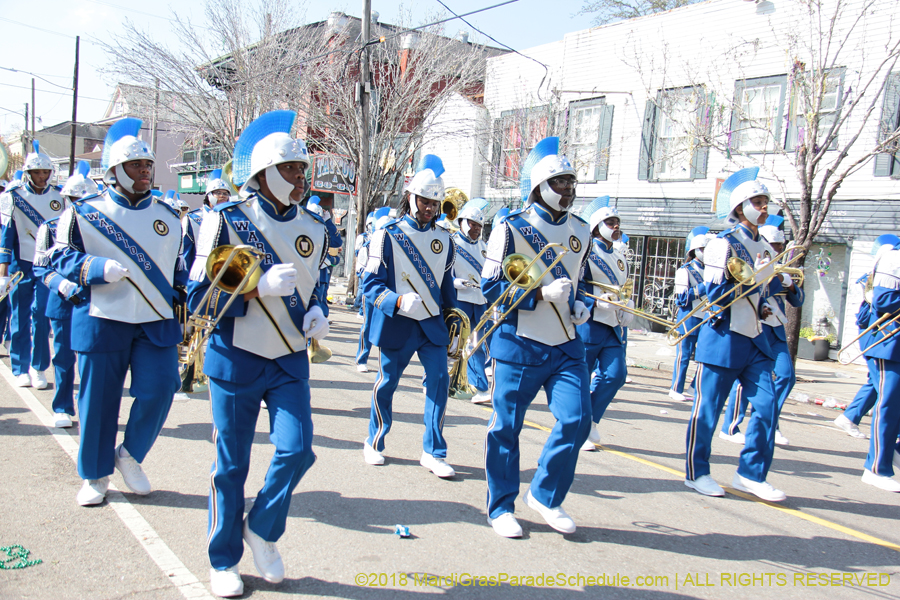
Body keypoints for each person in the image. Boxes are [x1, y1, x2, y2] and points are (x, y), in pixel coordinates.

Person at [187, 110, 329, 596]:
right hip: (237, 356)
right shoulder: (224, 220)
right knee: (231, 465)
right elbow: (195, 299)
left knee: (298, 450)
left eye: (301, 169)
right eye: (290, 169)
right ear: (264, 174)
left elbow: (317, 285)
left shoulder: (317, 227)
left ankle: (263, 529)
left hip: (290, 358)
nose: (300, 178)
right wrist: (254, 289)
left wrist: (318, 312)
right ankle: (222, 558)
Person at [48, 118, 187, 507]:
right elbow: (57, 255)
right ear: (114, 171)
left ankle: (130, 455)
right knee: (99, 401)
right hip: (102, 316)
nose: (144, 172)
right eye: (136, 166)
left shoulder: (171, 215)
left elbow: (177, 266)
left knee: (161, 389)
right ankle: (95, 474)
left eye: (147, 166)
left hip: (154, 320)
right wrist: (94, 269)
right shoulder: (84, 211)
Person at [482, 137, 591, 538]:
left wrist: (582, 306)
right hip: (519, 341)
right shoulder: (510, 228)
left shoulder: (581, 229)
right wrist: (539, 294)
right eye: (560, 182)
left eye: (571, 183)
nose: (568, 190)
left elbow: (582, 282)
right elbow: (490, 287)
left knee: (578, 420)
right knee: (506, 428)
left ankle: (546, 495)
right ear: (539, 186)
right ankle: (500, 505)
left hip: (565, 342)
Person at [684, 171, 786, 502]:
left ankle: (750, 474)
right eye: (757, 202)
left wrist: (782, 286)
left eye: (765, 202)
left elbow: (768, 291)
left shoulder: (765, 248)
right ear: (740, 208)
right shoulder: (722, 244)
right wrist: (752, 280)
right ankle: (696, 472)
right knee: (708, 411)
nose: (764, 207)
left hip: (756, 338)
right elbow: (715, 297)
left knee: (768, 405)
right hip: (724, 336)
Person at [360, 155, 459, 478]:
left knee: (439, 384)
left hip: (431, 325)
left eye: (435, 203)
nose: (429, 208)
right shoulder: (386, 234)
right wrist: (398, 300)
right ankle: (374, 441)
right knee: (387, 383)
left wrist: (454, 321)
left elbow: (446, 289)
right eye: (424, 201)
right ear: (410, 198)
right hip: (398, 321)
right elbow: (370, 285)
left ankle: (433, 451)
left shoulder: (445, 239)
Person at [719, 222, 804, 447]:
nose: (777, 250)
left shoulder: (780, 266)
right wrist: (777, 278)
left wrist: (791, 284)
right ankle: (731, 425)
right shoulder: (754, 263)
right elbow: (760, 288)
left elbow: (797, 299)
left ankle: (770, 423)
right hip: (756, 326)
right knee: (747, 378)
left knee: (786, 376)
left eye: (780, 245)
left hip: (776, 329)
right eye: (774, 245)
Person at [32, 161, 97, 429]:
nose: (80, 203)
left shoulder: (100, 227)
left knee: (92, 361)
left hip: (94, 302)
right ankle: (62, 406)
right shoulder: (48, 227)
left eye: (86, 198)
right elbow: (40, 266)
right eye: (75, 198)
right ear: (66, 199)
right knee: (62, 357)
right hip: (62, 301)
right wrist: (60, 283)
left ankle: (89, 410)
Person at [0, 141, 65, 388]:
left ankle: (39, 367)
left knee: (41, 317)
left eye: (45, 172)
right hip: (21, 265)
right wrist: (3, 270)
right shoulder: (13, 196)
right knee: (19, 316)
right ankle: (20, 366)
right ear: (28, 173)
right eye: (37, 172)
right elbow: (6, 234)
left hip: (47, 265)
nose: (41, 177)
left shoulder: (59, 196)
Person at [577, 197, 631, 451]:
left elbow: (623, 288)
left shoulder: (620, 257)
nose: (616, 226)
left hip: (613, 324)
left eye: (617, 222)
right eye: (610, 222)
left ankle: (590, 420)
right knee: (581, 378)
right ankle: (579, 425)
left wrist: (626, 307)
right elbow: (578, 286)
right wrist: (595, 302)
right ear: (597, 226)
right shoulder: (586, 251)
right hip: (590, 322)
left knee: (616, 374)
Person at [834, 236, 900, 438]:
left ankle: (850, 417)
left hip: (880, 334)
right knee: (886, 388)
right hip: (878, 335)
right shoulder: (874, 276)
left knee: (877, 382)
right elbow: (879, 303)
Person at [858, 239, 900, 492]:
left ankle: (894, 451)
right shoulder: (894, 258)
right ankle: (875, 468)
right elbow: (883, 301)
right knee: (888, 404)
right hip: (890, 344)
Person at [450, 197, 491, 404]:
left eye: (479, 225)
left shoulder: (485, 246)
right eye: (472, 224)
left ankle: (480, 387)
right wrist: (453, 282)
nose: (476, 229)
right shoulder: (451, 243)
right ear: (462, 222)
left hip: (479, 300)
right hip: (459, 299)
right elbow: (439, 271)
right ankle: (430, 378)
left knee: (476, 344)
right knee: (451, 343)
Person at [669, 227, 710, 402]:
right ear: (694, 251)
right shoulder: (684, 271)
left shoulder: (711, 270)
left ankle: (695, 386)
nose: (706, 253)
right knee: (684, 355)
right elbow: (682, 299)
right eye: (703, 250)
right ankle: (676, 388)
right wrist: (705, 286)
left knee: (705, 356)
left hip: (707, 317)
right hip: (689, 317)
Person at [355, 208, 389, 372]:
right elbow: (360, 270)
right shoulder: (367, 246)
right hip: (371, 292)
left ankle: (385, 364)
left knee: (387, 329)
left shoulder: (393, 247)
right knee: (368, 325)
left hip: (387, 293)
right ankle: (362, 358)